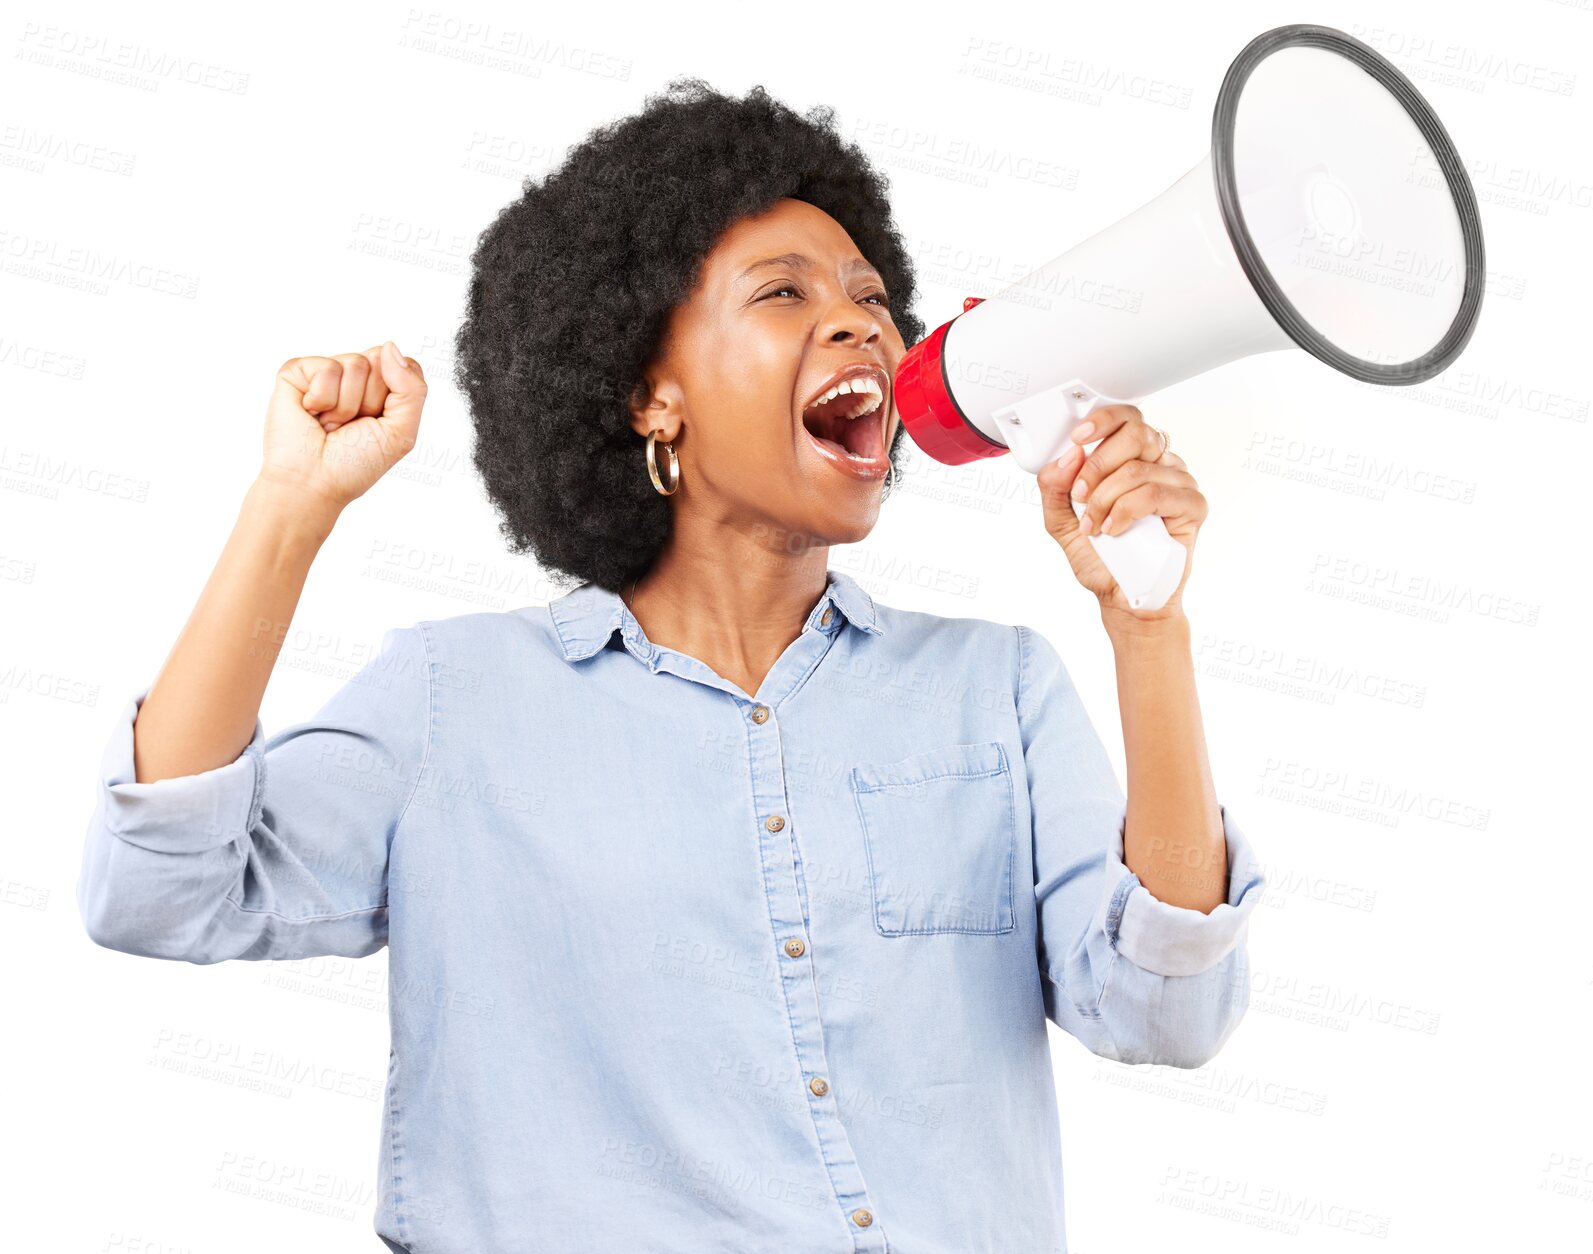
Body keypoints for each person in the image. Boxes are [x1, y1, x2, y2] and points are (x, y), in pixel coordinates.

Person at [77, 78, 1264, 1254]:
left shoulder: (994, 690)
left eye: (868, 296)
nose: (860, 323)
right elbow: (160, 889)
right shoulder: (456, 701)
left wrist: (1147, 629)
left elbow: (1171, 1009)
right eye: (783, 293)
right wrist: (290, 508)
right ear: (653, 395)